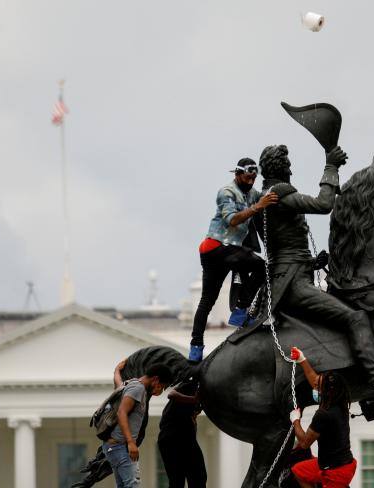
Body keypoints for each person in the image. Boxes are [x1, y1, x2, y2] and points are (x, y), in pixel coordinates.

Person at [257, 144, 374, 407]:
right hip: (293, 287)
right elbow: (323, 204)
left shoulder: (267, 197)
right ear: (284, 169)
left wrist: (311, 262)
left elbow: (283, 249)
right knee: (355, 318)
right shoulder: (280, 196)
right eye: (288, 165)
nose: (291, 168)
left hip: (295, 275)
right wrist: (331, 166)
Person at [189, 157, 279, 362]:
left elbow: (267, 196)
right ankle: (238, 311)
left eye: (253, 178)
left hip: (229, 251)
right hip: (216, 248)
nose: (250, 182)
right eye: (247, 177)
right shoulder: (226, 192)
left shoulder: (251, 193)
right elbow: (232, 220)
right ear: (237, 174)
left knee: (208, 300)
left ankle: (196, 348)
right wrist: (258, 207)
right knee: (261, 267)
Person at [289, 346, 357, 488]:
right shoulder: (340, 402)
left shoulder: (323, 414)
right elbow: (315, 380)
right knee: (299, 471)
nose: (314, 389)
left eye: (317, 388)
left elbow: (304, 443)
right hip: (332, 464)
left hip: (337, 472)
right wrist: (302, 360)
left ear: (327, 392)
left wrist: (295, 421)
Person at [104, 360, 173, 488]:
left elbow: (118, 386)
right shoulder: (138, 389)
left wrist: (117, 371)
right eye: (162, 386)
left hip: (113, 447)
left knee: (123, 485)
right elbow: (121, 412)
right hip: (120, 446)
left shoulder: (132, 384)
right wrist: (131, 442)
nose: (161, 391)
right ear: (155, 379)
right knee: (133, 485)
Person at [157, 378, 207, 488]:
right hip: (172, 436)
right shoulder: (192, 384)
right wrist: (193, 399)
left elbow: (193, 415)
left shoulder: (205, 394)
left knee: (198, 476)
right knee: (177, 479)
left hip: (185, 436)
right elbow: (172, 394)